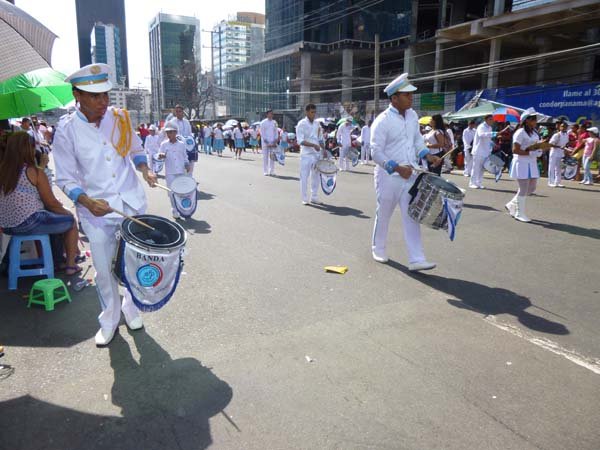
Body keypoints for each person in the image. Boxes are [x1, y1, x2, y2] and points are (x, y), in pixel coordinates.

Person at [52, 63, 157, 347]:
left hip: (130, 204)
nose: (103, 101)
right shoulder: (66, 130)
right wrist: (86, 201)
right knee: (103, 268)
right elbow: (64, 177)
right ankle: (109, 318)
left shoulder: (120, 118)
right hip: (96, 212)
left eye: (105, 94)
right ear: (77, 95)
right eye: (94, 96)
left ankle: (131, 308)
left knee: (134, 263)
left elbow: (136, 150)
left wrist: (145, 169)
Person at [370, 73, 441, 272]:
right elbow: (375, 152)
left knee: (412, 215)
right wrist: (396, 167)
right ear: (394, 98)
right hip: (388, 176)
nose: (411, 98)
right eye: (407, 95)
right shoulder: (382, 121)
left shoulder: (412, 116)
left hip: (411, 174)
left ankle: (416, 259)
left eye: (411, 94)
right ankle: (378, 248)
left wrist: (427, 155)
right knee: (384, 213)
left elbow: (417, 140)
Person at [0, 132, 80, 274]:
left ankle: (58, 261)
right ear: (28, 149)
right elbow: (51, 203)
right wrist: (67, 213)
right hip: (30, 222)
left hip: (7, 226)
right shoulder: (33, 171)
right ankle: (71, 265)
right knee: (70, 222)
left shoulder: (3, 170)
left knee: (54, 221)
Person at [505, 108, 546, 222]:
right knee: (523, 189)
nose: (535, 121)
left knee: (532, 188)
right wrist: (530, 153)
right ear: (527, 120)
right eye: (533, 119)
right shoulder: (520, 132)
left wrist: (540, 150)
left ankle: (512, 204)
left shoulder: (535, 132)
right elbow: (515, 150)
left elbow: (536, 145)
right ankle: (519, 213)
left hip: (532, 162)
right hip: (521, 163)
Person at [296, 103, 326, 205]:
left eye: (315, 112)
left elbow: (320, 138)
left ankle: (314, 197)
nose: (314, 114)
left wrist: (324, 150)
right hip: (306, 155)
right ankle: (304, 198)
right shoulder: (301, 124)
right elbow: (300, 141)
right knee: (304, 177)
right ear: (307, 112)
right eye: (312, 112)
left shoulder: (317, 124)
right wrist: (313, 145)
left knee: (316, 177)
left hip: (316, 155)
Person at [161, 121, 190, 218]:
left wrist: (187, 164)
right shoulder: (164, 144)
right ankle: (174, 209)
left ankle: (182, 208)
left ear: (176, 132)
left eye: (171, 132)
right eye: (167, 132)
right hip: (170, 172)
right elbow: (159, 156)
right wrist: (160, 156)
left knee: (181, 191)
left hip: (181, 171)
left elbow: (185, 156)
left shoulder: (181, 144)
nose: (169, 134)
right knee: (171, 192)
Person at [470, 115, 509, 189]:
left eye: (492, 119)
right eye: (490, 119)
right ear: (486, 120)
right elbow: (481, 135)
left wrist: (494, 144)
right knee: (476, 168)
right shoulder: (481, 126)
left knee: (482, 169)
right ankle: (472, 183)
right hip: (478, 151)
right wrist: (495, 133)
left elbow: (488, 139)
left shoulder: (490, 128)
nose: (492, 121)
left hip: (486, 152)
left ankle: (478, 183)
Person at [548, 122, 569, 187]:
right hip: (554, 153)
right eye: (562, 126)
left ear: (567, 128)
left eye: (565, 127)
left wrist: (566, 149)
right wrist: (559, 147)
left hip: (561, 153)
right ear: (560, 127)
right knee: (551, 167)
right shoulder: (557, 135)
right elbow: (550, 144)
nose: (563, 128)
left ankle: (557, 182)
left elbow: (565, 144)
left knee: (559, 168)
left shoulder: (566, 135)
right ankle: (550, 182)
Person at [259, 109, 278, 176]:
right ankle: (265, 171)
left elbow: (276, 132)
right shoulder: (263, 122)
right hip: (265, 142)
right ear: (267, 114)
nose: (271, 115)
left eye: (272, 114)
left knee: (272, 157)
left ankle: (271, 171)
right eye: (270, 113)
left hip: (273, 142)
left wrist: (275, 140)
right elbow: (262, 133)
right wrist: (266, 142)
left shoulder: (274, 122)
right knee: (265, 157)